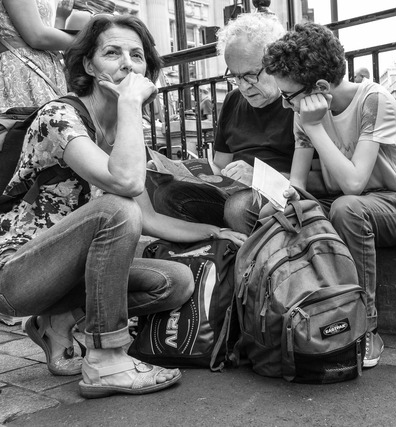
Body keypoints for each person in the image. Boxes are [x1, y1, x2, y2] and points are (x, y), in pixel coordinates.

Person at [0, 14, 245, 399]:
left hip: (69, 275)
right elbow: (125, 188)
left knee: (175, 282)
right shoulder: (59, 117)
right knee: (117, 208)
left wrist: (215, 231)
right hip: (17, 275)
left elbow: (147, 218)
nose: (127, 64)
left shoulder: (124, 136)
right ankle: (107, 360)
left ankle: (58, 320)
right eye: (112, 53)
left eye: (137, 55)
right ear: (88, 65)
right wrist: (130, 104)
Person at [262, 22, 396, 368]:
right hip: (342, 204)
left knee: (347, 208)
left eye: (288, 96)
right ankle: (289, 316)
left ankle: (366, 326)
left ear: (320, 87)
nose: (286, 105)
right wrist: (282, 196)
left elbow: (354, 183)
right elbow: (298, 183)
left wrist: (315, 126)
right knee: (272, 213)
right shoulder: (303, 111)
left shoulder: (373, 101)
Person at [152, 12, 325, 235]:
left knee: (239, 208)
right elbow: (219, 166)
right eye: (234, 76)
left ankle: (252, 254)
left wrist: (261, 178)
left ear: (276, 63)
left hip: (281, 195)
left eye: (250, 75)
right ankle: (224, 247)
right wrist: (177, 171)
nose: (243, 86)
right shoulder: (233, 100)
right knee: (166, 195)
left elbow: (320, 180)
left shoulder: (297, 101)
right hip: (234, 193)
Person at [0, 0, 77, 109]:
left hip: (39, 70)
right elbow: (37, 37)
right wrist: (88, 40)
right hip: (22, 72)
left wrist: (60, 18)